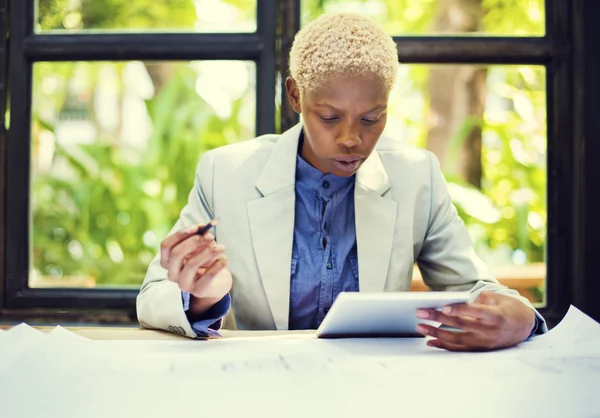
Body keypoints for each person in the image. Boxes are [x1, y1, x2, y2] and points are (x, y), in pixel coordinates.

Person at [137, 12, 546, 351]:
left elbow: (475, 287)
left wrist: (520, 316)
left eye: (371, 119)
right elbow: (154, 295)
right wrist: (201, 297)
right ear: (295, 97)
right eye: (329, 117)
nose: (351, 139)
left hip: (372, 390)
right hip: (262, 390)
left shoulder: (416, 176)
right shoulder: (225, 173)